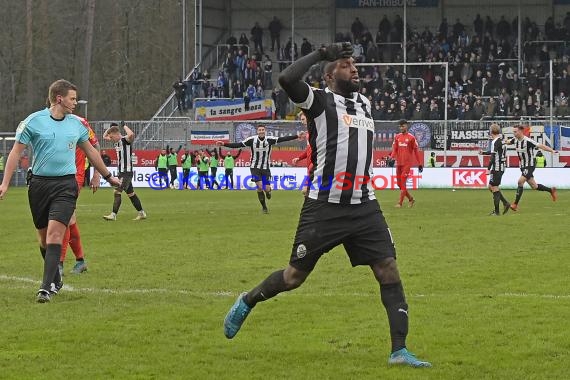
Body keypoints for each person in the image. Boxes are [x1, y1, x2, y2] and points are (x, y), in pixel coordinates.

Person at [222, 43, 431, 368]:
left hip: (364, 204)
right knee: (294, 277)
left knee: (388, 269)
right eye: (346, 65)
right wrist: (322, 53)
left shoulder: (364, 103)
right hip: (325, 206)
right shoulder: (318, 101)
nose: (355, 69)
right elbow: (287, 79)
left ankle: (399, 351)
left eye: (354, 64)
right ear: (330, 76)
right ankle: (247, 301)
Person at [0, 79, 120, 303]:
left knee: (57, 233)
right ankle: (55, 275)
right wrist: (5, 183)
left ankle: (46, 288)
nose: (75, 103)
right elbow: (15, 153)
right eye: (72, 99)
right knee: (44, 239)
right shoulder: (33, 121)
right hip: (38, 185)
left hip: (66, 184)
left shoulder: (77, 124)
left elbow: (93, 152)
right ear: (59, 99)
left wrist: (107, 176)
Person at [217, 125, 304, 213]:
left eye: (263, 130)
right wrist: (224, 144)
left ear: (265, 131)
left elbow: (283, 139)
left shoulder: (269, 139)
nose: (261, 131)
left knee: (266, 188)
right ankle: (264, 208)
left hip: (265, 168)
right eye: (260, 130)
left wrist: (297, 136)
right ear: (257, 131)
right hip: (254, 167)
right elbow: (238, 145)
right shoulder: (251, 140)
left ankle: (268, 192)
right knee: (259, 186)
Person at [59, 115, 101, 276]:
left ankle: (59, 264)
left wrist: (97, 173)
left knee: (64, 218)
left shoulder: (80, 122)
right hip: (53, 178)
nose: (74, 103)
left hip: (74, 177)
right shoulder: (45, 120)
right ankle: (80, 261)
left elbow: (95, 147)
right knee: (69, 219)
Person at [505, 125, 558, 211]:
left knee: (520, 181)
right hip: (522, 165)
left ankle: (515, 204)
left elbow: (541, 146)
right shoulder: (515, 140)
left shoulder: (528, 141)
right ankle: (551, 190)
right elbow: (508, 142)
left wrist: (552, 150)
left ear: (521, 131)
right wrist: (500, 141)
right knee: (534, 186)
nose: (514, 133)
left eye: (515, 132)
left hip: (530, 164)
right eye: (513, 132)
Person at [102, 123, 147, 221]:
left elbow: (131, 134)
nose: (111, 139)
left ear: (116, 134)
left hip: (126, 172)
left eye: (112, 137)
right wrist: (111, 129)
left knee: (117, 191)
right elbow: (104, 136)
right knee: (131, 194)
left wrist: (124, 126)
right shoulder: (116, 142)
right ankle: (142, 213)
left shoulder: (125, 140)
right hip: (122, 172)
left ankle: (113, 215)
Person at [388, 120, 423, 208]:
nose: (401, 128)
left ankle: (400, 203)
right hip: (398, 163)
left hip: (407, 164)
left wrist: (420, 164)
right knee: (399, 184)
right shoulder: (397, 137)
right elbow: (395, 149)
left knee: (403, 182)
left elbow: (416, 151)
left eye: (403, 126)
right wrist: (391, 158)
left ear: (406, 126)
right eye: (400, 126)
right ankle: (411, 199)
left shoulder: (411, 138)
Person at [479, 124, 511, 216]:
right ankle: (505, 203)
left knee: (494, 187)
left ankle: (497, 212)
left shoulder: (494, 142)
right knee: (491, 186)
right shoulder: (501, 141)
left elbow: (493, 157)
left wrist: (488, 169)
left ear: (491, 131)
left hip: (497, 167)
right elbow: (494, 152)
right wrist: (484, 153)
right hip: (501, 166)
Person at [291, 111, 312, 196]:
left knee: (305, 190)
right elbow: (309, 149)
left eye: (303, 119)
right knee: (308, 192)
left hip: (315, 164)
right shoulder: (309, 132)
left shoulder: (316, 131)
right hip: (310, 163)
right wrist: (299, 158)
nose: (302, 122)